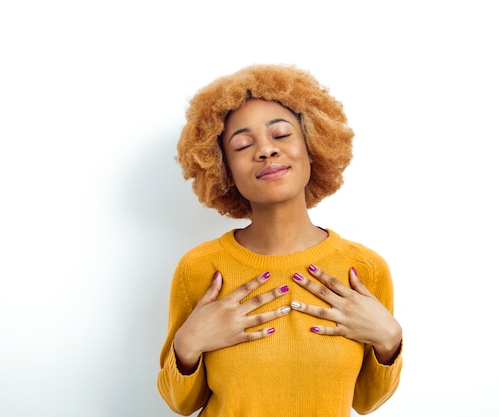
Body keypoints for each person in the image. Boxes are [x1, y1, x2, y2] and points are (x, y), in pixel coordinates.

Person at [157, 64, 403, 417]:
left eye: (282, 135)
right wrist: (188, 344)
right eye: (243, 144)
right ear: (222, 166)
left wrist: (389, 339)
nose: (266, 151)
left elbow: (366, 401)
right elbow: (181, 403)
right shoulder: (199, 269)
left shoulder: (364, 268)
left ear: (312, 144)